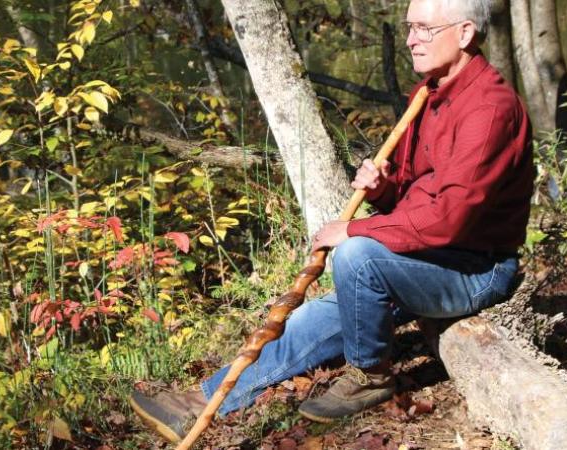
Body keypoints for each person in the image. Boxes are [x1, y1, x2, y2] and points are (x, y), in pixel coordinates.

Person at [128, 0, 535, 442]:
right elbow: (415, 191)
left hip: (473, 270)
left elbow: (451, 219)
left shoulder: (489, 109)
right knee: (308, 320)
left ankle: (372, 377)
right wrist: (383, 188)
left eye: (423, 29)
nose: (411, 39)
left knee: (358, 256)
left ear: (465, 33)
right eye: (409, 28)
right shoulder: (429, 94)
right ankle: (205, 400)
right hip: (423, 257)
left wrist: (357, 229)